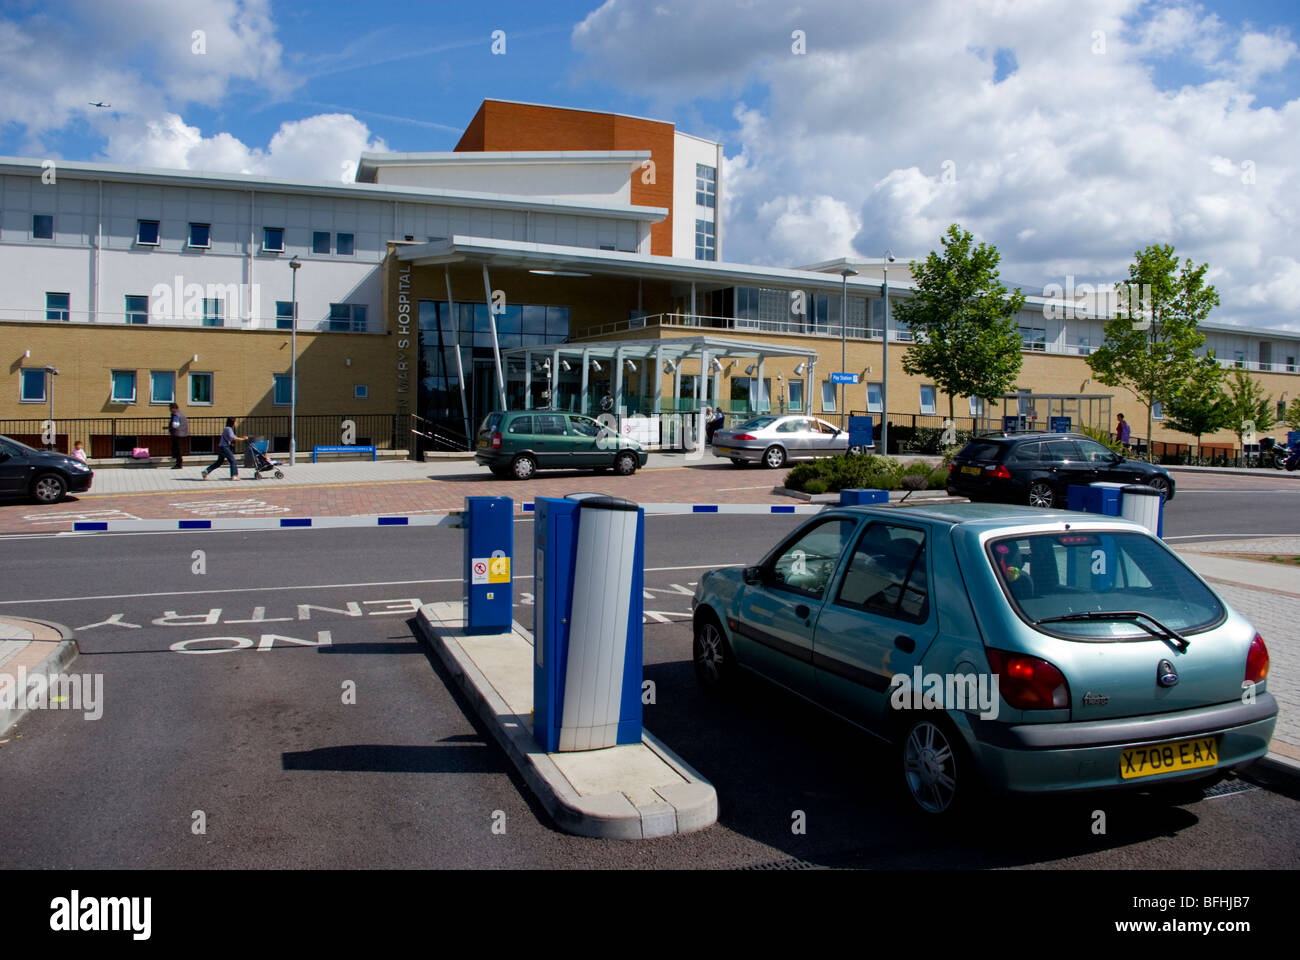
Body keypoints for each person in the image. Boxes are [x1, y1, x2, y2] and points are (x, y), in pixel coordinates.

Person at [168, 402, 189, 469]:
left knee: (177, 448)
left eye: (170, 408)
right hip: (182, 432)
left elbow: (175, 424)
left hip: (177, 433)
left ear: (173, 408)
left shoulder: (175, 415)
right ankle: (176, 458)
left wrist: (171, 428)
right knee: (176, 447)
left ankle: (179, 463)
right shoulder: (181, 413)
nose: (170, 410)